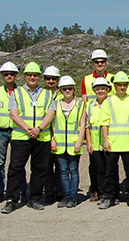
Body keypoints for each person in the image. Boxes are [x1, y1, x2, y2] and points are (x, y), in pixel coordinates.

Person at [3, 62, 56, 213]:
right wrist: (28, 129)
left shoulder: (47, 94)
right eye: (29, 75)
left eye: (35, 75)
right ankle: (12, 199)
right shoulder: (17, 93)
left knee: (39, 169)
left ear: (39, 77)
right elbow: (13, 114)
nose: (32, 78)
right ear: (25, 76)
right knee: (16, 168)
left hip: (41, 137)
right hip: (21, 136)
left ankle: (34, 198)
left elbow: (50, 113)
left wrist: (39, 129)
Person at [98, 71, 129, 210]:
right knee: (110, 172)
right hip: (113, 143)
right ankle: (109, 197)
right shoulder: (108, 101)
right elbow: (104, 123)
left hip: (128, 143)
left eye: (124, 85)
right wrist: (105, 140)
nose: (122, 87)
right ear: (115, 86)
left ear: (128, 86)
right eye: (119, 85)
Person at [50, 75, 84, 208]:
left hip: (73, 143)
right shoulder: (56, 105)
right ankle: (66, 196)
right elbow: (52, 124)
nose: (67, 91)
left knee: (73, 170)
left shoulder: (80, 105)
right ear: (60, 90)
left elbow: (82, 125)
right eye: (64, 89)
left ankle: (73, 196)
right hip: (59, 144)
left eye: (69, 88)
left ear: (74, 89)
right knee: (63, 171)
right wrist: (53, 140)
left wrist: (79, 142)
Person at [0, 61, 20, 205]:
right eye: (6, 74)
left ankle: (20, 191)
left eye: (11, 74)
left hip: (17, 131)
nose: (9, 76)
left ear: (16, 76)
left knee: (17, 163)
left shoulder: (21, 93)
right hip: (0, 132)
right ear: (2, 75)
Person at [85, 78, 111, 206]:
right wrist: (88, 142)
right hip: (95, 143)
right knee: (98, 169)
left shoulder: (111, 103)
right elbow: (87, 125)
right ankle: (101, 193)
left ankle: (110, 193)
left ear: (107, 90)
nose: (100, 91)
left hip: (109, 142)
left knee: (109, 169)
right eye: (98, 89)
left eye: (103, 89)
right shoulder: (90, 105)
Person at [41, 65, 63, 205]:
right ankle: (49, 192)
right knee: (47, 166)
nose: (50, 81)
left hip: (60, 135)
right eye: (48, 79)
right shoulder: (41, 94)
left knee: (60, 165)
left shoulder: (63, 94)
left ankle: (60, 192)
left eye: (53, 79)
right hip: (44, 135)